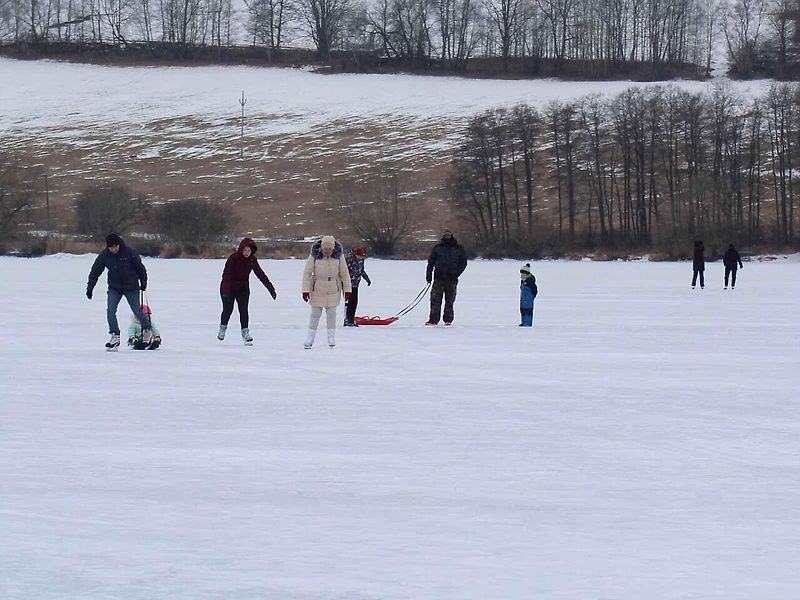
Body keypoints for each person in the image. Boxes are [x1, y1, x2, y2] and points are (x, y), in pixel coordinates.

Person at [86, 233, 151, 350]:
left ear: (119, 244)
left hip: (131, 287)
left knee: (136, 310)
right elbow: (95, 271)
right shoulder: (105, 255)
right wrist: (90, 288)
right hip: (114, 287)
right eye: (111, 248)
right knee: (110, 311)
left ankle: (147, 330)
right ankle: (115, 336)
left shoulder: (129, 253)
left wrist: (143, 281)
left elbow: (140, 268)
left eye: (115, 247)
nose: (114, 249)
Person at [218, 237, 277, 344]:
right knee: (228, 309)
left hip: (242, 288)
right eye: (245, 250)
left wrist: (271, 289)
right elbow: (226, 275)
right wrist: (226, 291)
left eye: (249, 251)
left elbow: (261, 274)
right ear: (241, 249)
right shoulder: (233, 258)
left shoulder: (252, 260)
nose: (246, 253)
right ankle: (222, 328)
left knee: (243, 310)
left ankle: (245, 332)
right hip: (228, 287)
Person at [302, 235, 352, 348]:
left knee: (331, 314)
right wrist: (305, 290)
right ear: (322, 248)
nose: (327, 251)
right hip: (317, 288)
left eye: (330, 249)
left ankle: (331, 335)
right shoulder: (314, 256)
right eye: (325, 249)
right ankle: (310, 336)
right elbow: (307, 273)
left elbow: (344, 274)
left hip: (333, 289)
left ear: (333, 248)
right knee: (315, 314)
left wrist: (347, 290)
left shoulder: (339, 257)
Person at [425, 229, 468, 326]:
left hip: (451, 279)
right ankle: (433, 320)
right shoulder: (437, 248)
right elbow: (430, 262)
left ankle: (448, 320)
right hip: (438, 278)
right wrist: (428, 275)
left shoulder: (458, 248)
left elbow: (463, 263)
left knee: (450, 301)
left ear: (452, 236)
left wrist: (456, 273)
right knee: (435, 300)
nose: (447, 237)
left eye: (448, 235)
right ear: (443, 236)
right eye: (445, 235)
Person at [344, 245, 371, 326]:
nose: (361, 258)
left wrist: (367, 279)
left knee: (355, 302)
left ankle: (351, 319)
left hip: (356, 284)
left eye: (363, 256)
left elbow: (361, 270)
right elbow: (344, 272)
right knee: (349, 302)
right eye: (360, 256)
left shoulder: (361, 261)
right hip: (348, 284)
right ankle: (347, 319)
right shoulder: (349, 259)